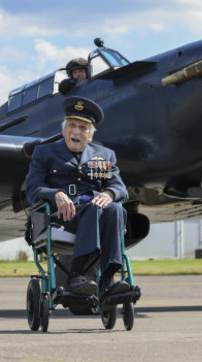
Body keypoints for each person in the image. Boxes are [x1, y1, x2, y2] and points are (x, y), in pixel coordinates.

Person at [25, 96, 130, 298]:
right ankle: (77, 274)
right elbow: (32, 190)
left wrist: (109, 193)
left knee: (116, 208)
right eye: (72, 125)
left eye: (82, 128)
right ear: (64, 130)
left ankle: (108, 279)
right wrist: (56, 194)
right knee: (95, 207)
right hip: (63, 217)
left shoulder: (104, 155)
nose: (76, 131)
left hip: (98, 215)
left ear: (90, 135)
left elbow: (120, 188)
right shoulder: (45, 153)